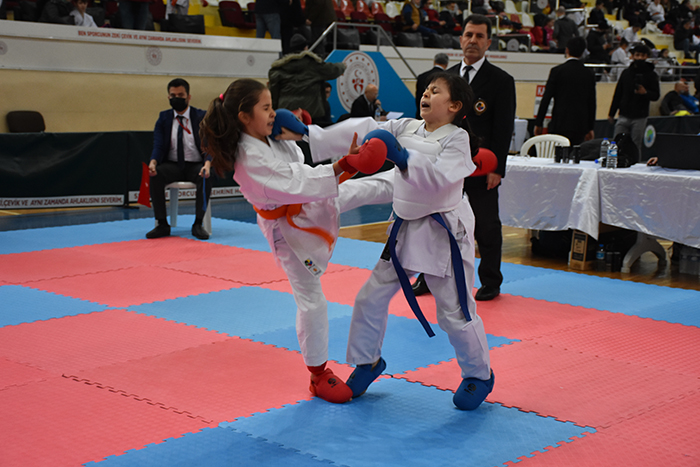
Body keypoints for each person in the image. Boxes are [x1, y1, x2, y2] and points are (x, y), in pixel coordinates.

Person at [306, 73, 496, 410]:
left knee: (454, 313)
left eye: (435, 91)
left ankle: (479, 375)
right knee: (370, 298)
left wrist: (405, 158)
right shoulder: (407, 126)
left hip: (444, 234)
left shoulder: (457, 140)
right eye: (426, 89)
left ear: (454, 106)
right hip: (405, 229)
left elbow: (440, 178)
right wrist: (311, 135)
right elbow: (368, 129)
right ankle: (367, 361)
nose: (426, 94)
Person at [199, 78, 390, 404]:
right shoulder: (249, 157)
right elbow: (296, 180)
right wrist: (344, 165)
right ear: (244, 117)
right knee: (312, 301)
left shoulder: (267, 137)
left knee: (371, 188)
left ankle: (419, 181)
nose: (273, 113)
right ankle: (318, 374)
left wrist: (299, 134)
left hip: (309, 204)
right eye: (266, 108)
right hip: (289, 231)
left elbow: (301, 164)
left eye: (272, 106)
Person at [444, 14, 516, 302]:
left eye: (479, 36)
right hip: (448, 166)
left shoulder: (501, 81)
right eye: (468, 34)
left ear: (488, 42)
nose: (473, 40)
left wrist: (498, 167)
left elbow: (503, 127)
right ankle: (430, 276)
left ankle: (490, 281)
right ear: (461, 39)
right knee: (440, 225)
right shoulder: (446, 78)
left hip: (482, 165)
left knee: (486, 225)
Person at [146, 78, 212, 241]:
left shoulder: (201, 116)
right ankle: (162, 223)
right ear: (168, 97)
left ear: (189, 97)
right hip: (173, 165)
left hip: (195, 164)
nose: (176, 98)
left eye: (181, 95)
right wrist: (153, 162)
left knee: (205, 176)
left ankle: (198, 223)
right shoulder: (164, 118)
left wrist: (207, 164)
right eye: (173, 95)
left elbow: (209, 145)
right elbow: (158, 145)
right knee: (155, 174)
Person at [268, 34, 346, 123]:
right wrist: (342, 66)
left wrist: (274, 110)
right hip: (311, 112)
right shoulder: (313, 64)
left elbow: (274, 93)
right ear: (305, 48)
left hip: (286, 112)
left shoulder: (279, 67)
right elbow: (332, 70)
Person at [535, 37, 597, 145]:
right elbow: (591, 102)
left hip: (560, 122)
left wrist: (539, 122)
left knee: (558, 153)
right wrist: (590, 127)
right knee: (576, 153)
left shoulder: (557, 71)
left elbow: (546, 98)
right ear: (583, 52)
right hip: (580, 125)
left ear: (567, 50)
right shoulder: (589, 73)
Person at [608, 44, 660, 162]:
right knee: (616, 143)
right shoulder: (626, 73)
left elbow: (656, 95)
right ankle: (614, 164)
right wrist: (611, 112)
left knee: (635, 146)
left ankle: (635, 166)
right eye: (637, 55)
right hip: (623, 114)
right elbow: (618, 93)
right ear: (632, 56)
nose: (640, 58)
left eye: (642, 55)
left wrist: (645, 92)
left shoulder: (652, 75)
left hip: (640, 116)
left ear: (647, 56)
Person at [415, 53, 449, 118]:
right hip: (439, 116)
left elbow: (418, 97)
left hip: (422, 113)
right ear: (446, 64)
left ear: (434, 62)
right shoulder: (447, 78)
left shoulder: (422, 76)